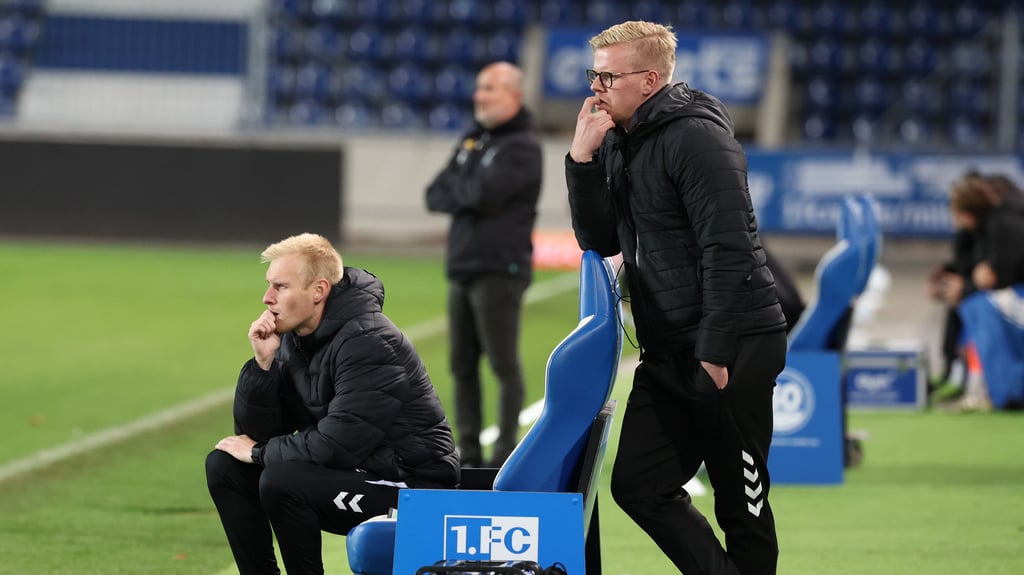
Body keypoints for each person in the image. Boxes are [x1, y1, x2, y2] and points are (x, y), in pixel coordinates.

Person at [566, 21, 788, 575]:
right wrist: (582, 161)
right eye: (593, 74)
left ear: (648, 79)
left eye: (607, 76)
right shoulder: (621, 136)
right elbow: (600, 240)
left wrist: (714, 354)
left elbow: (729, 250)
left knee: (743, 503)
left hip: (733, 344)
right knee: (639, 485)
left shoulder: (698, 138)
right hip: (668, 346)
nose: (596, 86)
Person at [205, 233, 459, 575]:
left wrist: (258, 453)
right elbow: (255, 434)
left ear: (319, 291)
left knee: (281, 480)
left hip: (412, 487)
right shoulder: (296, 341)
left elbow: (338, 445)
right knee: (225, 467)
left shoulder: (370, 341)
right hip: (359, 472)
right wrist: (262, 366)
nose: (267, 298)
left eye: (280, 286)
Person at [425, 61, 543, 468]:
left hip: (499, 269)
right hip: (463, 267)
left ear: (514, 95)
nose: (480, 96)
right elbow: (434, 194)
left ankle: (505, 452)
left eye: (490, 89)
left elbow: (484, 196)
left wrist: (465, 188)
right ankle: (470, 451)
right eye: (479, 88)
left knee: (502, 363)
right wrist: (468, 189)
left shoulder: (522, 146)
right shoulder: (474, 139)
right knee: (461, 365)